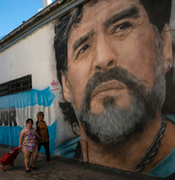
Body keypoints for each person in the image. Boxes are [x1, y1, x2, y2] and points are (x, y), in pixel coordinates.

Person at [54, 0, 175, 178]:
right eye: (84, 47)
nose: (103, 59)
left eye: (122, 27)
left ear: (164, 46)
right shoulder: (60, 160)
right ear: (65, 84)